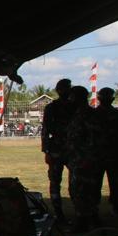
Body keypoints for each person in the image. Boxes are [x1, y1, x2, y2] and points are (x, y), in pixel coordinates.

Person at [64, 85, 104, 232]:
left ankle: (84, 222)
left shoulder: (88, 115)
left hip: (85, 161)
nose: (69, 100)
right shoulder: (79, 114)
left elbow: (94, 139)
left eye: (72, 97)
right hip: (78, 160)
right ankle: (90, 219)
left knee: (82, 191)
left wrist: (87, 158)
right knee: (81, 191)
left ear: (78, 98)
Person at [41, 79, 73, 223]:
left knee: (68, 183)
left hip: (66, 150)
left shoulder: (73, 107)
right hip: (61, 149)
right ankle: (59, 212)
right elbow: (46, 131)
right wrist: (46, 151)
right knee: (56, 182)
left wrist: (46, 150)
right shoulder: (53, 108)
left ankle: (68, 212)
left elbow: (45, 132)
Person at [94, 87, 118, 215]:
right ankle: (114, 207)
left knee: (98, 183)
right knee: (113, 183)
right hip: (109, 154)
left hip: (103, 154)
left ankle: (98, 207)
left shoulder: (94, 114)